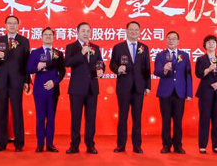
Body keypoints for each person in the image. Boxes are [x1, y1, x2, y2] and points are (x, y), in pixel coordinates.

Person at [0, 15, 31, 152]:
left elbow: (27, 62)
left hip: (17, 80)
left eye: (14, 23)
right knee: (1, 110)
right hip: (1, 80)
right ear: (5, 25)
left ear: (18, 25)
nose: (12, 25)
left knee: (17, 111)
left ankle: (19, 143)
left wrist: (26, 80)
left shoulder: (24, 41)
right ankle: (1, 143)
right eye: (9, 23)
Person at [109, 21, 151, 153]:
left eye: (136, 30)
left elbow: (147, 68)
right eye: (131, 30)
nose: (134, 32)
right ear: (126, 31)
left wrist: (148, 86)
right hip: (124, 87)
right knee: (123, 116)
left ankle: (137, 145)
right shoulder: (118, 47)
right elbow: (112, 64)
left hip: (139, 88)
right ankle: (121, 145)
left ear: (139, 32)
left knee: (137, 117)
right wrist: (118, 69)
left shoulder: (144, 48)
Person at [65, 22, 104, 154]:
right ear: (77, 32)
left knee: (91, 118)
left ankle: (90, 144)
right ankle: (74, 145)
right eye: (83, 31)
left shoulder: (95, 47)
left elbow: (100, 62)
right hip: (76, 88)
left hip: (92, 88)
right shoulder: (71, 47)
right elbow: (67, 63)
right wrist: (81, 53)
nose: (86, 33)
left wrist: (101, 70)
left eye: (88, 31)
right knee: (76, 118)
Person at [26, 27, 66, 152]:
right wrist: (37, 67)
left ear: (53, 37)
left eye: (50, 35)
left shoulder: (58, 54)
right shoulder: (35, 52)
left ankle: (50, 143)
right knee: (40, 117)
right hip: (39, 89)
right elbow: (29, 69)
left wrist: (54, 82)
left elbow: (62, 71)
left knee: (51, 118)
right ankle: (40, 144)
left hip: (53, 90)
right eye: (46, 35)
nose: (48, 36)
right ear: (42, 37)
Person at [153, 31, 192, 154]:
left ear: (178, 41)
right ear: (166, 40)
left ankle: (178, 145)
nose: (171, 41)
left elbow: (188, 74)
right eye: (169, 38)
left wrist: (189, 92)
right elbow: (156, 71)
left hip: (180, 92)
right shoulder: (160, 55)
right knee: (166, 120)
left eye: (174, 39)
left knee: (178, 120)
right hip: (165, 92)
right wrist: (164, 69)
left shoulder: (184, 55)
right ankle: (166, 145)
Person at [195, 35, 217, 154]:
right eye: (208, 42)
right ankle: (202, 145)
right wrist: (208, 69)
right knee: (204, 119)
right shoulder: (201, 59)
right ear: (205, 45)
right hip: (205, 92)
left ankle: (216, 145)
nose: (211, 44)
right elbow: (198, 74)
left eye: (213, 42)